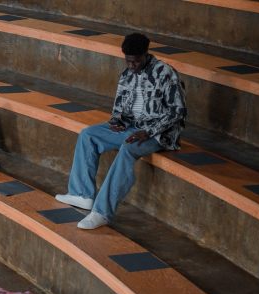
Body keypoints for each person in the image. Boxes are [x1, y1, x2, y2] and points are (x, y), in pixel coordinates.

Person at [56, 33, 187, 229]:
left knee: (127, 149)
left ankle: (102, 212)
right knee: (88, 135)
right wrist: (117, 120)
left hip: (160, 134)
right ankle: (81, 194)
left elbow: (177, 110)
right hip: (131, 127)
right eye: (128, 61)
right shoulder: (126, 74)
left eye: (135, 61)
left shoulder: (165, 73)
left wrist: (148, 131)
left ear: (145, 54)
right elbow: (119, 108)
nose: (131, 66)